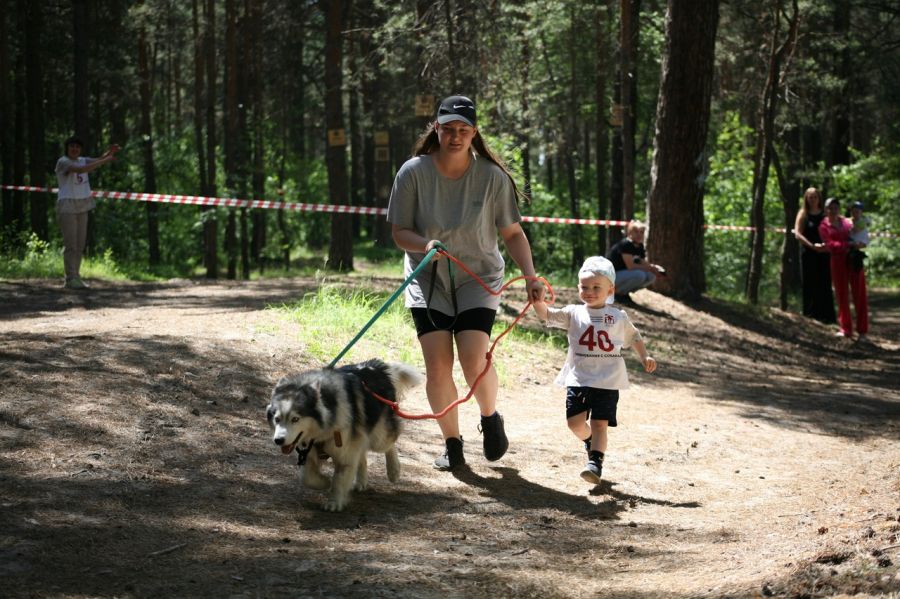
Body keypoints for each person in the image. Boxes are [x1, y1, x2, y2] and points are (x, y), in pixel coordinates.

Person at [387, 95, 543, 470]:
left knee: (474, 358)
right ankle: (452, 445)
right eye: (449, 129)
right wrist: (425, 245)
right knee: (438, 366)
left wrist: (530, 276)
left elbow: (513, 233)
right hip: (427, 277)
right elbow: (399, 232)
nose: (456, 136)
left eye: (464, 130)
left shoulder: (491, 177)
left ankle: (490, 417)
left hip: (479, 278)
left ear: (474, 133)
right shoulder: (412, 172)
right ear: (436, 129)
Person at [532, 256, 656, 484]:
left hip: (607, 380)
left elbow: (634, 336)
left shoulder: (618, 317)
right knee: (574, 423)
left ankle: (595, 463)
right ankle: (589, 442)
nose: (589, 291)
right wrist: (538, 301)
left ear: (611, 288)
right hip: (579, 379)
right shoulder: (573, 313)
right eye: (584, 287)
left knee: (600, 423)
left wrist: (644, 355)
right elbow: (546, 315)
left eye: (596, 287)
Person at [54, 136, 119, 289]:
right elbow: (82, 170)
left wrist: (109, 152)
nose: (75, 149)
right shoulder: (63, 162)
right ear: (67, 148)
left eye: (77, 147)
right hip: (67, 206)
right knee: (70, 244)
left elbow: (97, 159)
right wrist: (106, 160)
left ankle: (76, 276)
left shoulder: (82, 159)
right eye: (72, 146)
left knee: (80, 243)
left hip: (83, 204)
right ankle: (70, 278)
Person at [819, 197, 868, 340]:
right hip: (838, 261)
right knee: (841, 294)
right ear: (826, 210)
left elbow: (862, 233)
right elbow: (830, 245)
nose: (833, 211)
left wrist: (862, 243)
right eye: (830, 208)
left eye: (835, 207)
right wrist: (847, 244)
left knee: (860, 293)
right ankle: (846, 328)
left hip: (854, 259)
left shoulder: (847, 222)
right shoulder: (824, 226)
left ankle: (862, 331)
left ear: (839, 209)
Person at [793, 187, 836, 324]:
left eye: (815, 197)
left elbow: (835, 230)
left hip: (824, 253)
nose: (812, 200)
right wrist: (811, 246)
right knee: (810, 282)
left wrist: (828, 246)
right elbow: (797, 234)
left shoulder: (825, 214)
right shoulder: (803, 214)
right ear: (806, 199)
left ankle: (827, 316)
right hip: (809, 253)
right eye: (810, 197)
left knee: (825, 282)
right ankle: (810, 314)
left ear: (819, 198)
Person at [605, 220, 664, 303]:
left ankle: (624, 293)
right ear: (629, 232)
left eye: (641, 232)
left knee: (651, 275)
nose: (639, 235)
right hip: (609, 277)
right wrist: (648, 268)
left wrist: (654, 269)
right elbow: (631, 266)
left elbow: (642, 261)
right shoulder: (626, 244)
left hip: (621, 275)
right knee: (640, 275)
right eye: (636, 232)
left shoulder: (639, 246)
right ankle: (616, 294)